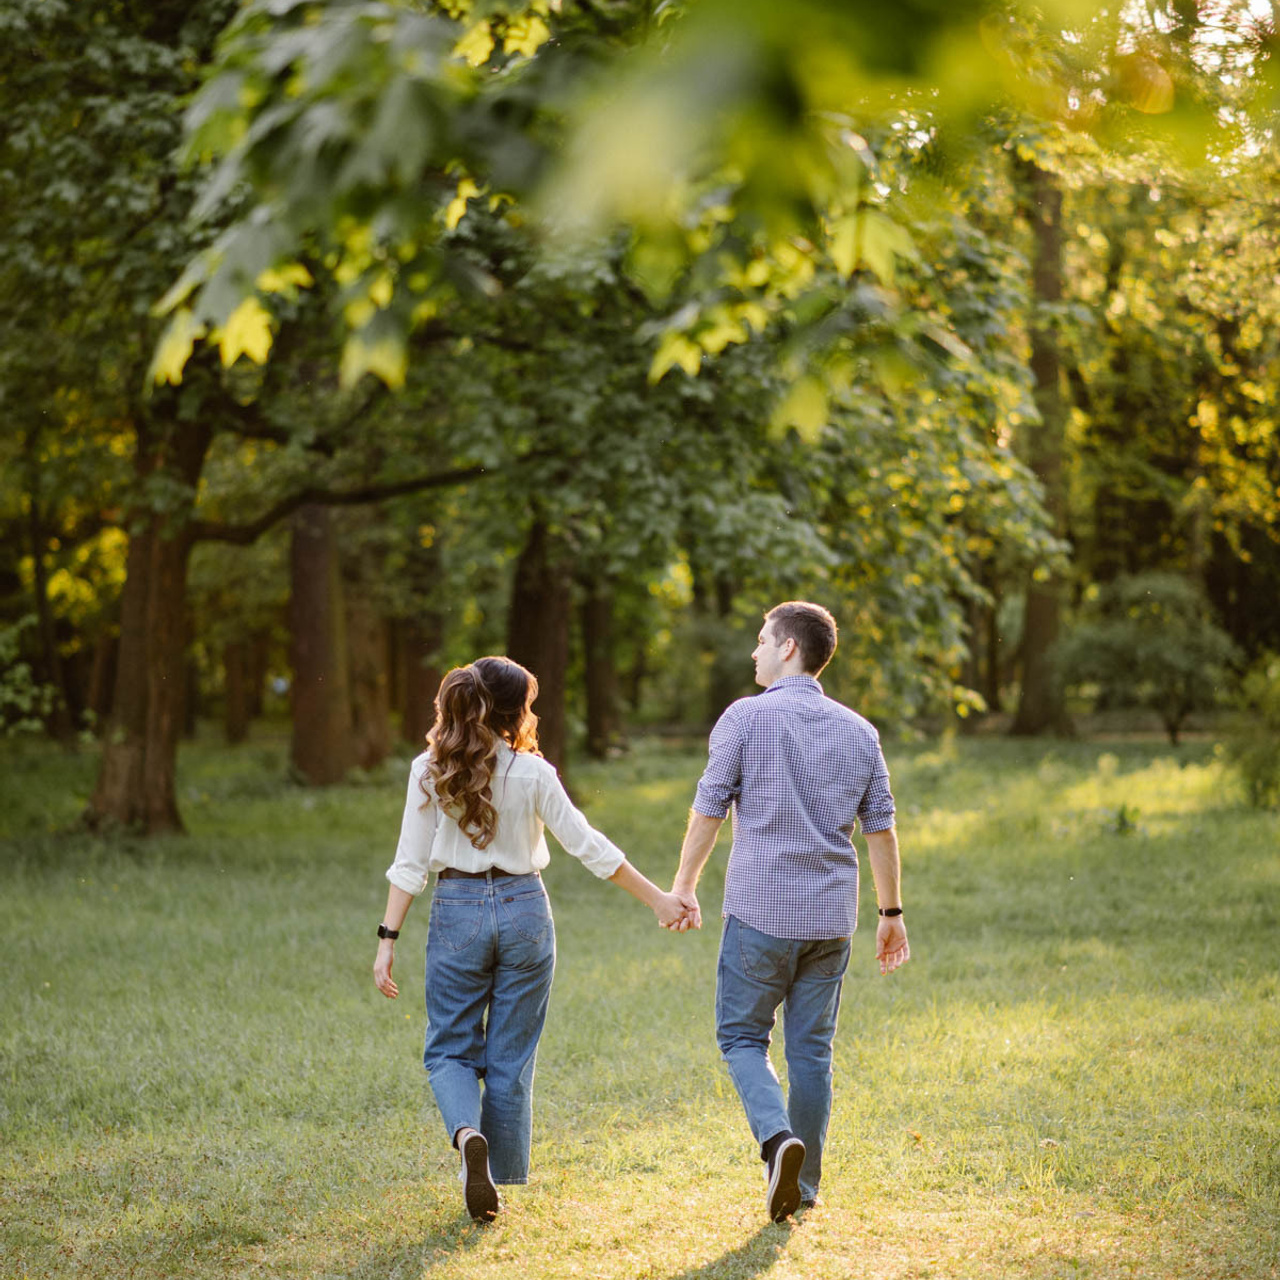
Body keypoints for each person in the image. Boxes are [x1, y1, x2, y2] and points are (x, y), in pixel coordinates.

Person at [373, 656, 688, 1222]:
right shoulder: (533, 772)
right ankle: (499, 1174)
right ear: (515, 711)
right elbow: (588, 846)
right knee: (510, 1056)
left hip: (458, 908)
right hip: (525, 910)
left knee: (449, 1047)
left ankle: (469, 1134)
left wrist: (387, 937)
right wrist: (661, 900)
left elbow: (409, 862)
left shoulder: (429, 768)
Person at [665, 601, 910, 1222]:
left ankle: (779, 1143)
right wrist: (891, 912)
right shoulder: (859, 730)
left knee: (741, 1036)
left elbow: (709, 807)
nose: (754, 652)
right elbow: (880, 829)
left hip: (759, 916)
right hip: (831, 920)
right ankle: (803, 1191)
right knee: (812, 1054)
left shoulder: (744, 718)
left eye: (761, 640)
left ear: (789, 649)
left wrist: (685, 886)